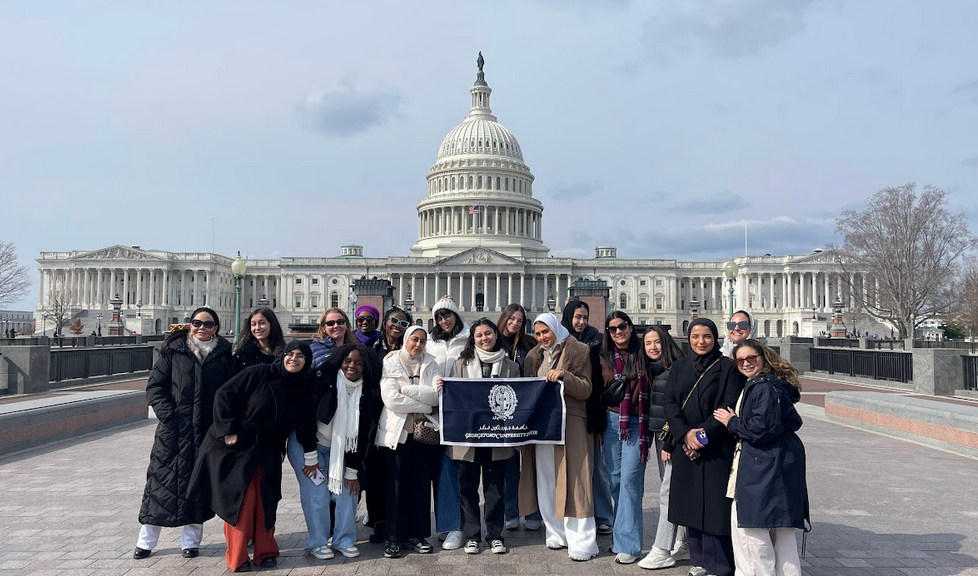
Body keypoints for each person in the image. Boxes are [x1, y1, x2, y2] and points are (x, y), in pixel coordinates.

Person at [188, 341, 311, 572]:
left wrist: (286, 448)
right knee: (242, 501)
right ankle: (238, 555)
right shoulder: (261, 372)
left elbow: (293, 423)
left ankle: (266, 551)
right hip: (237, 447)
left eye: (301, 356)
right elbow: (224, 395)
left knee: (267, 499)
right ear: (282, 356)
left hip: (268, 449)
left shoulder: (300, 387)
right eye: (290, 354)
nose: (294, 359)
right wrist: (228, 430)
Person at [134, 307, 237, 560]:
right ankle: (146, 541)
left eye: (208, 324)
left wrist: (223, 425)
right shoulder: (173, 351)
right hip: (174, 431)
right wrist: (169, 416)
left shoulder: (224, 356)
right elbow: (155, 387)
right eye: (196, 323)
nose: (201, 327)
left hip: (205, 431)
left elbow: (232, 395)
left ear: (216, 327)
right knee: (160, 484)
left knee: (198, 486)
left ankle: (191, 542)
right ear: (189, 325)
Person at [713, 340, 809, 576]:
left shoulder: (762, 387)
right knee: (782, 535)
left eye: (751, 358)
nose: (745, 363)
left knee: (751, 537)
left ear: (763, 357)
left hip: (761, 466)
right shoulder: (776, 385)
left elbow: (761, 428)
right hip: (781, 463)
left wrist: (732, 422)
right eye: (740, 360)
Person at [663, 318, 746, 576]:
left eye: (707, 336)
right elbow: (670, 403)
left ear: (715, 338)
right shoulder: (679, 367)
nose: (701, 341)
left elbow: (727, 406)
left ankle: (720, 565)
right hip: (685, 445)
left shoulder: (727, 368)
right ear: (689, 338)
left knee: (714, 508)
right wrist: (684, 435)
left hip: (714, 446)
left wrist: (700, 437)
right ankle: (699, 559)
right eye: (696, 336)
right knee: (690, 505)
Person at [289, 343, 383, 560]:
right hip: (306, 446)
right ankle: (317, 542)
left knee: (348, 492)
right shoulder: (322, 382)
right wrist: (310, 457)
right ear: (340, 360)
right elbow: (305, 421)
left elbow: (362, 436)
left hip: (339, 450)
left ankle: (344, 539)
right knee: (318, 494)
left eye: (359, 363)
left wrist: (352, 471)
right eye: (348, 361)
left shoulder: (367, 393)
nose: (353, 366)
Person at [518, 313, 599, 562]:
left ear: (555, 329)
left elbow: (586, 388)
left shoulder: (579, 350)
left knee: (576, 479)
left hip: (571, 421)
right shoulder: (533, 357)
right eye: (538, 333)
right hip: (542, 425)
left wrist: (565, 375)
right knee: (546, 478)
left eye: (545, 332)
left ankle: (583, 541)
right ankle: (555, 532)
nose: (542, 337)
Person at [442, 318, 520, 554]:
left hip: (497, 437)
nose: (484, 338)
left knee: (495, 488)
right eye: (479, 335)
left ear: (496, 334)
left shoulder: (512, 367)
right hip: (468, 438)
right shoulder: (460, 364)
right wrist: (441, 386)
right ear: (473, 338)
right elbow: (453, 396)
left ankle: (495, 535)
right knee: (467, 487)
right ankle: (472, 535)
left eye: (488, 333)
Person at [375, 326, 441, 559]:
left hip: (424, 433)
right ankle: (392, 538)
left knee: (421, 486)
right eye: (415, 339)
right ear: (406, 339)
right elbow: (392, 399)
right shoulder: (391, 361)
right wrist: (425, 405)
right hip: (399, 433)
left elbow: (436, 395)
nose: (418, 345)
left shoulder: (432, 362)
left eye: (423, 341)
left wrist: (409, 390)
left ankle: (417, 535)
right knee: (396, 488)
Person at [597, 312, 649, 564]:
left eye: (622, 326)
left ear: (630, 327)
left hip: (636, 423)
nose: (618, 332)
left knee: (630, 481)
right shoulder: (603, 356)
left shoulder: (644, 354)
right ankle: (621, 537)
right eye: (613, 328)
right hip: (610, 422)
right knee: (615, 481)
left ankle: (629, 544)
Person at [637, 325, 691, 570]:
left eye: (656, 342)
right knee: (672, 489)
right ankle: (684, 541)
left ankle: (662, 548)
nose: (652, 347)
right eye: (647, 343)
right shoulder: (655, 370)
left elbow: (680, 409)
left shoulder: (675, 369)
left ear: (666, 342)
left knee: (667, 492)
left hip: (673, 440)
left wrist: (669, 440)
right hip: (662, 437)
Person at [561, 298, 614, 537]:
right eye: (577, 317)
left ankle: (603, 515)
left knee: (597, 468)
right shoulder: (558, 338)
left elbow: (602, 378)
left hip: (592, 408)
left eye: (584, 317)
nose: (581, 322)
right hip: (565, 411)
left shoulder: (596, 339)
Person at [426, 295, 469, 550]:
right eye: (440, 316)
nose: (444, 320)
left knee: (454, 471)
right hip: (432, 413)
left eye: (448, 315)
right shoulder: (429, 343)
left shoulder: (469, 340)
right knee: (439, 472)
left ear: (456, 315)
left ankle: (455, 526)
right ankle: (446, 524)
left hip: (461, 415)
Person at [495, 303, 542, 531]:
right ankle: (510, 512)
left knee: (531, 465)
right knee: (509, 466)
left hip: (527, 411)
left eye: (520, 321)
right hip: (501, 412)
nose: (514, 323)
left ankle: (533, 513)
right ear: (504, 318)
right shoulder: (490, 341)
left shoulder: (530, 344)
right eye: (511, 318)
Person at [310, 308, 358, 377]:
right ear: (324, 328)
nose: (336, 326)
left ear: (346, 325)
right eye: (330, 323)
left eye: (340, 322)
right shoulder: (313, 349)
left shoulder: (356, 348)